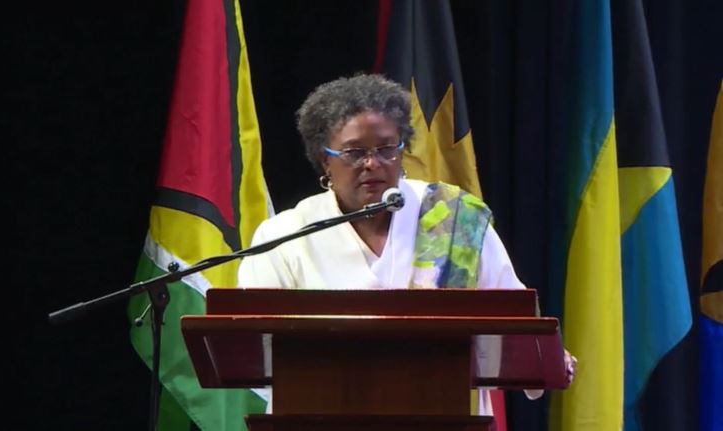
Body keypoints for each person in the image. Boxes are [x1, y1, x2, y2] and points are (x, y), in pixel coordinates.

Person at [238, 73, 576, 414]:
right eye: (354, 152)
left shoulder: (454, 219)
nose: (372, 163)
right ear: (325, 159)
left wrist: (545, 356)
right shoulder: (284, 236)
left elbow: (512, 314)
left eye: (386, 149)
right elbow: (253, 350)